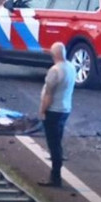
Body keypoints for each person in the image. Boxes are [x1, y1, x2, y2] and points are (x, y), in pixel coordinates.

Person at [37, 42, 75, 188]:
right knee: (57, 142)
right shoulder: (71, 67)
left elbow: (49, 95)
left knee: (54, 145)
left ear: (53, 55)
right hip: (65, 109)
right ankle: (56, 175)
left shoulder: (55, 71)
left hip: (53, 111)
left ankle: (55, 178)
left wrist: (42, 110)